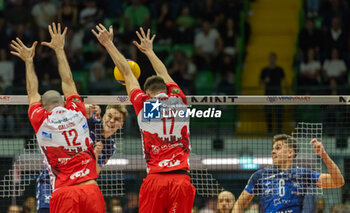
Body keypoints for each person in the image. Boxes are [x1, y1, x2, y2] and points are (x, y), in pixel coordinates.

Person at [92, 24, 195, 213]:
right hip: (181, 179)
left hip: (156, 179)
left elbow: (127, 72)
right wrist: (149, 51)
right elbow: (164, 73)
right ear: (166, 89)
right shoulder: (179, 99)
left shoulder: (144, 105)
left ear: (147, 93)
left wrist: (108, 44)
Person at [10, 22, 105, 213]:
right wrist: (60, 49)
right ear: (63, 103)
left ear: (43, 107)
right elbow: (68, 80)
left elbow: (32, 91)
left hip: (64, 192)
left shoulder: (40, 119)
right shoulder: (77, 111)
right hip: (90, 188)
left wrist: (29, 61)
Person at [35, 103, 128, 212]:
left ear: (121, 124)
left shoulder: (110, 146)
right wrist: (85, 107)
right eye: (109, 116)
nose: (111, 121)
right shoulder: (90, 123)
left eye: (116, 119)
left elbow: (95, 172)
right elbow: (66, 113)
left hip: (74, 186)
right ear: (103, 116)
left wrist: (96, 153)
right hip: (53, 176)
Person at [233, 134, 345, 213]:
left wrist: (324, 155)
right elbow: (239, 204)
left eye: (278, 148)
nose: (273, 152)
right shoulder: (260, 176)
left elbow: (338, 182)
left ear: (290, 153)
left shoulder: (303, 174)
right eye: (273, 149)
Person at [260, 52, 286, 133]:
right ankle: (270, 130)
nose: (272, 59)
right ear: (269, 59)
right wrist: (265, 80)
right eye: (270, 58)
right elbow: (260, 82)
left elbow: (284, 81)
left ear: (276, 59)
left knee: (279, 111)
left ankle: (279, 130)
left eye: (273, 58)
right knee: (268, 111)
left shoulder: (280, 69)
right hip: (268, 92)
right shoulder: (265, 70)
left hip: (278, 91)